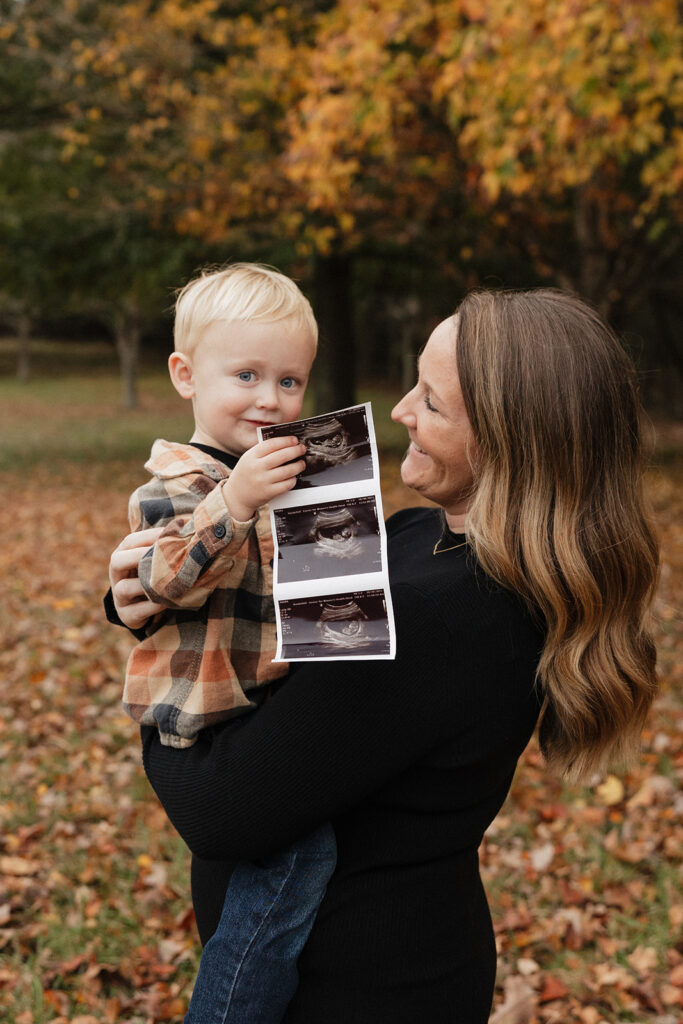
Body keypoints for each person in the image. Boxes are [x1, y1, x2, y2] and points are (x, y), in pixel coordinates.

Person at [109, 288, 659, 1023]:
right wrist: (141, 595)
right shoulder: (415, 536)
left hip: (353, 988)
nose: (398, 410)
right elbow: (243, 603)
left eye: (430, 402)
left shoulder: (446, 614)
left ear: (505, 441)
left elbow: (218, 812)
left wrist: (156, 664)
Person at [116, 262, 337, 1023]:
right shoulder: (175, 480)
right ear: (185, 375)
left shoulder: (278, 474)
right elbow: (162, 579)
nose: (270, 400)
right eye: (245, 374)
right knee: (288, 873)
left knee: (273, 875)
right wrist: (236, 500)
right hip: (203, 715)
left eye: (290, 381)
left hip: (259, 709)